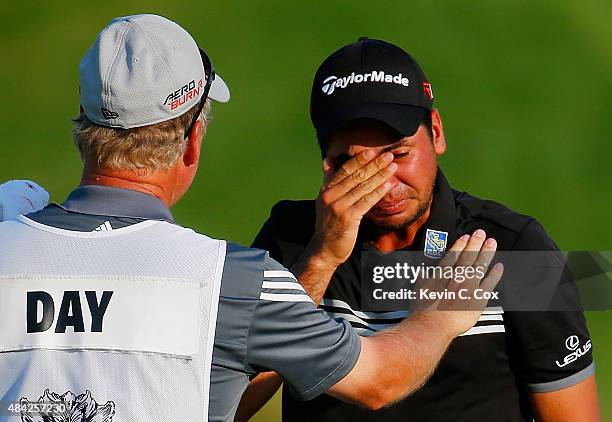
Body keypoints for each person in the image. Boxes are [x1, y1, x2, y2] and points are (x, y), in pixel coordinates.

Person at [0, 17, 503, 422]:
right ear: (193, 139)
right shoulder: (232, 279)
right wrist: (440, 315)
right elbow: (378, 382)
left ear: (84, 128)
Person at [243, 38, 600, 421]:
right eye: (358, 166)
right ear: (328, 165)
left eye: (399, 154)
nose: (387, 183)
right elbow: (230, 404)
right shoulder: (292, 240)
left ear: (437, 132)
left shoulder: (518, 247)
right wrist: (321, 259)